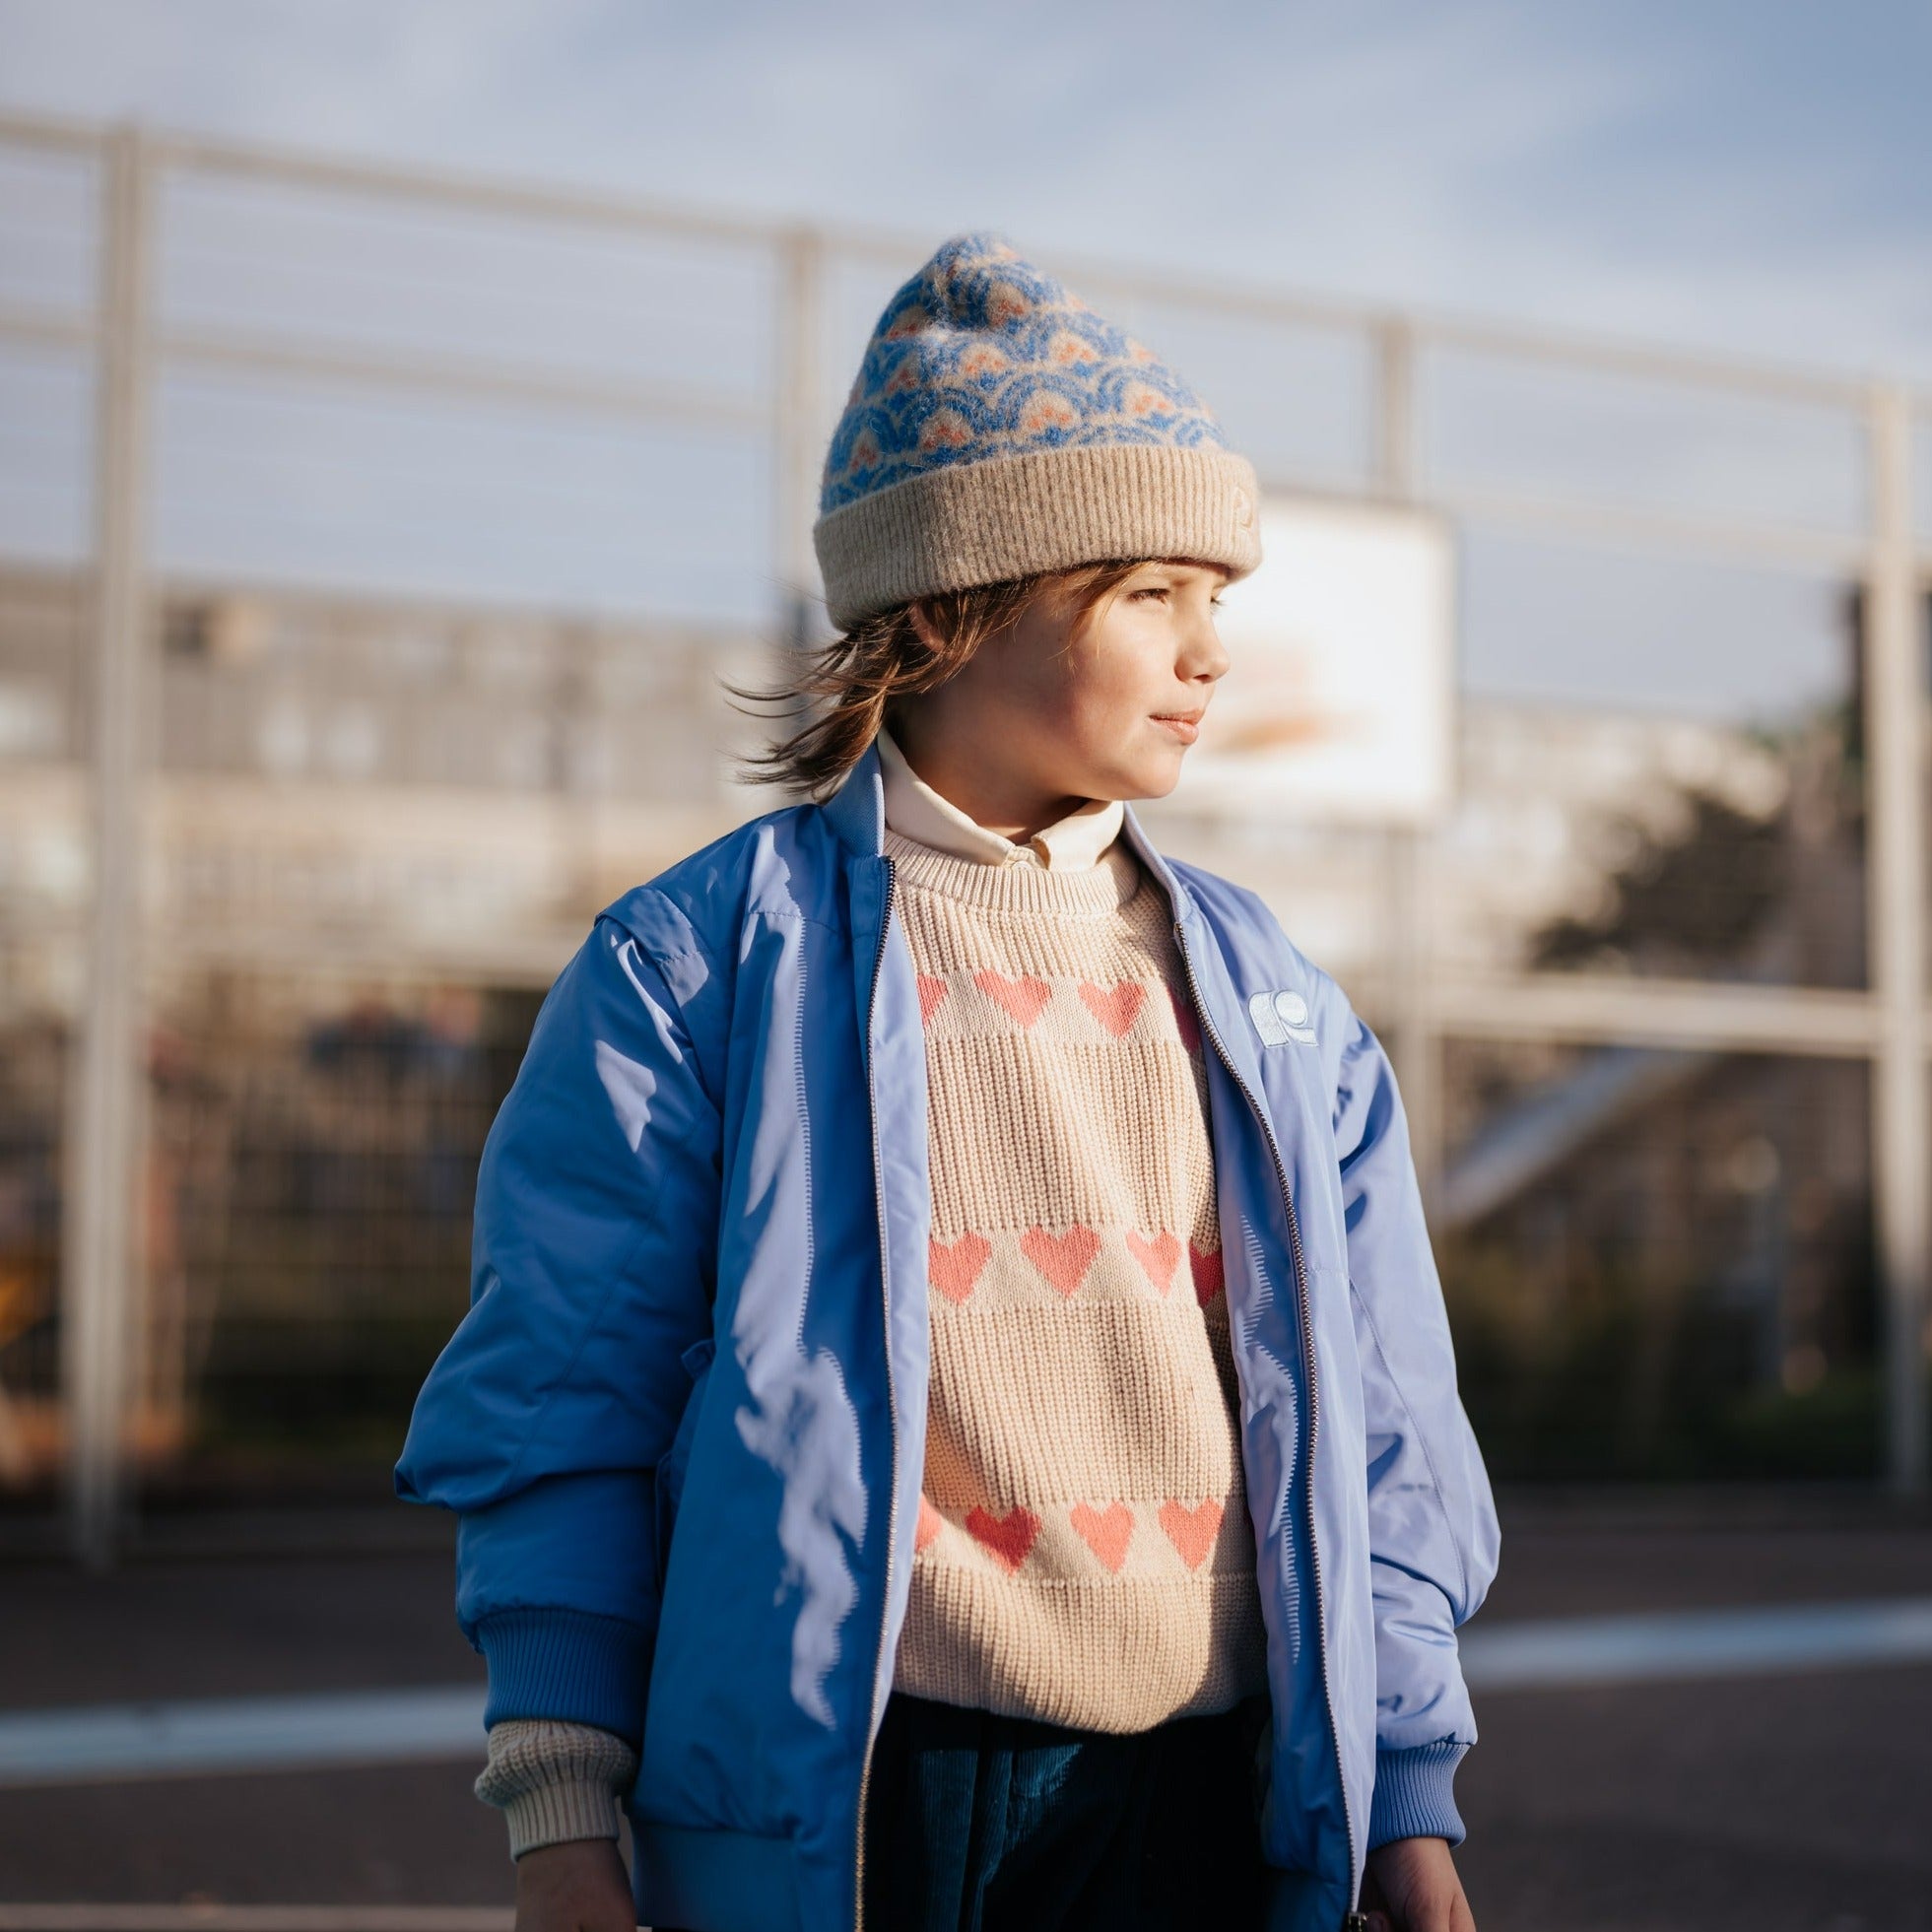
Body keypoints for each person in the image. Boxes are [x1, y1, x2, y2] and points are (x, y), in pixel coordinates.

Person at [396, 232, 1499, 1932]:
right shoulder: (695, 968)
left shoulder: (1277, 1003)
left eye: (1221, 599)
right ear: (956, 601)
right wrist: (560, 1812)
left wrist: (1405, 1787)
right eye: (1151, 595)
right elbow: (562, 1405)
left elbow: (1385, 1431)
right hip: (871, 1793)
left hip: (1215, 1784)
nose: (1211, 652)